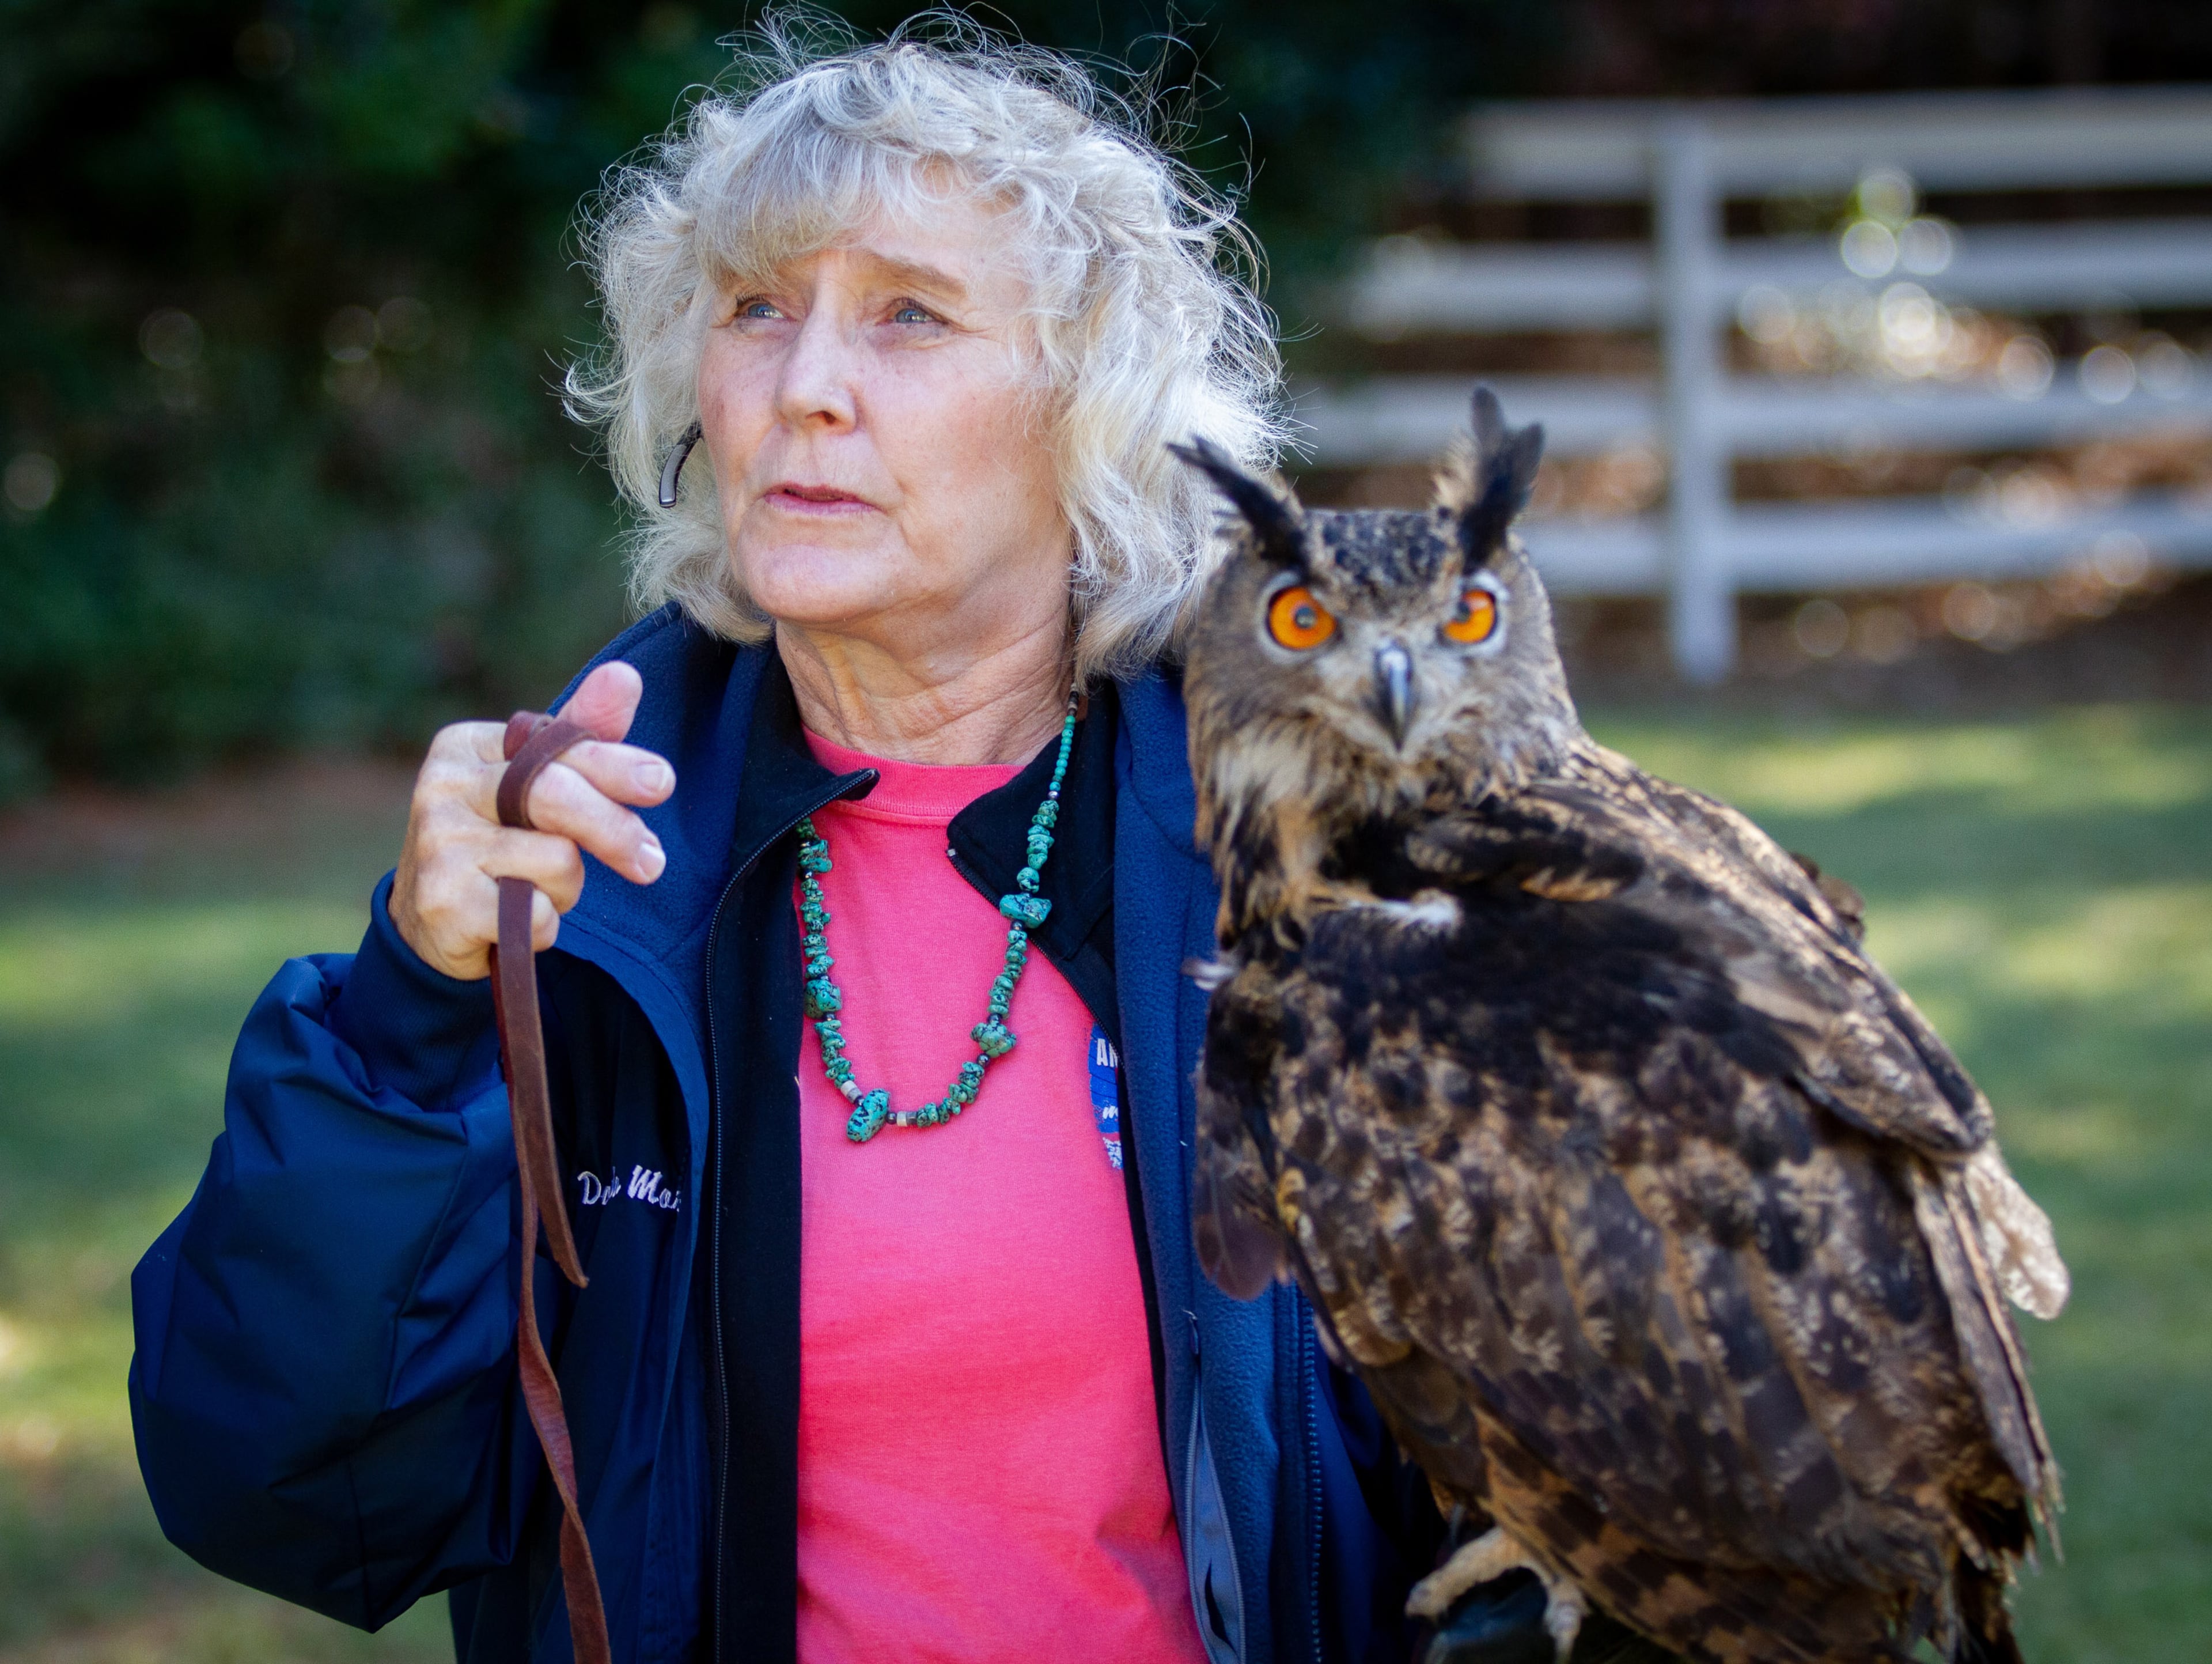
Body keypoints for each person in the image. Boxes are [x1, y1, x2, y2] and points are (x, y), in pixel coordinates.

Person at [129, 22, 1542, 1664]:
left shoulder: (1311, 858)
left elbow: (1540, 1493)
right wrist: (410, 1008)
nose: (805, 384)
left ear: (1088, 417)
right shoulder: (582, 860)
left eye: (909, 316)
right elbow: (282, 1487)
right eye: (755, 309)